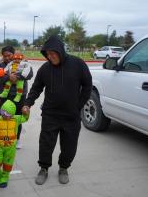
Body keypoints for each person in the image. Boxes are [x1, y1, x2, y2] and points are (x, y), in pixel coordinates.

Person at [22, 36, 92, 185]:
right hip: (50, 114)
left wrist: (78, 105)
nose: (50, 56)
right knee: (46, 144)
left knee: (69, 146)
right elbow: (36, 88)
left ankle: (63, 168)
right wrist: (28, 103)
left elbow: (87, 86)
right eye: (47, 54)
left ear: (60, 51)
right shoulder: (45, 69)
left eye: (53, 53)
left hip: (71, 116)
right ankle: (44, 168)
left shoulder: (78, 64)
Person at [0, 46, 33, 149]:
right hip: (5, 96)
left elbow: (30, 75)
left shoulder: (23, 63)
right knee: (4, 117)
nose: (7, 58)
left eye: (9, 55)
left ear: (14, 54)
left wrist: (17, 76)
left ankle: (17, 139)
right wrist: (8, 77)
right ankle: (4, 137)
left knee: (17, 117)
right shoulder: (1, 65)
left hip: (20, 96)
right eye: (5, 56)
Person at [0, 100, 29, 188]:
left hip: (10, 147)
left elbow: (25, 118)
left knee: (8, 164)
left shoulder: (16, 119)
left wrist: (26, 111)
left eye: (7, 114)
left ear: (12, 114)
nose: (4, 115)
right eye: (2, 112)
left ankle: (4, 177)